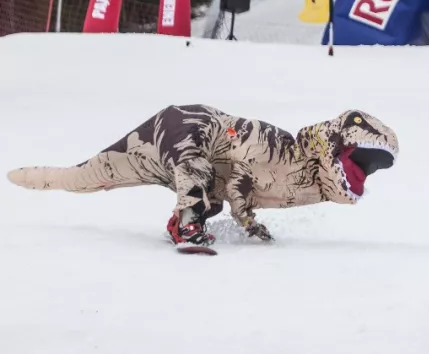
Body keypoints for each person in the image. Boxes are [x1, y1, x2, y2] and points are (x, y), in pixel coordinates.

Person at [7, 104, 399, 252]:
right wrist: (245, 216)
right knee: (196, 169)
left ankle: (183, 221)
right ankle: (189, 226)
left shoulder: (312, 188)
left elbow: (237, 187)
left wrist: (246, 219)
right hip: (189, 126)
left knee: (207, 192)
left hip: (206, 159)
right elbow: (245, 172)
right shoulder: (289, 151)